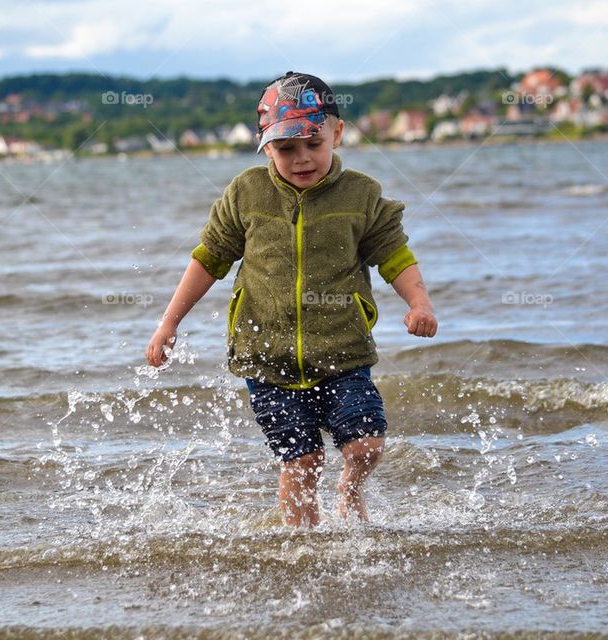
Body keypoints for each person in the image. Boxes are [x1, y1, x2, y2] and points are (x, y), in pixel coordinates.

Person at [145, 71, 437, 527]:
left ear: (336, 134)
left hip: (342, 351)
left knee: (365, 445)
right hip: (267, 358)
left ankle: (350, 491)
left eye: (312, 143)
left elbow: (395, 256)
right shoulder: (247, 193)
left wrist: (420, 305)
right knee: (302, 462)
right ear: (266, 146)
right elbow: (209, 259)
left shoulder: (361, 195)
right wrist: (169, 323)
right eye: (285, 149)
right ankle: (300, 546)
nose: (301, 158)